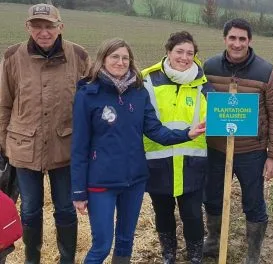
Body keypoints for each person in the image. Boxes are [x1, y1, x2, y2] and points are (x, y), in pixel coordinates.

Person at [71, 38, 206, 264]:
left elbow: (155, 131)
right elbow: (79, 146)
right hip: (101, 182)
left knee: (125, 241)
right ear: (103, 59)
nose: (120, 62)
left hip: (134, 181)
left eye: (125, 57)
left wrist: (186, 134)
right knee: (102, 245)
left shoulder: (138, 92)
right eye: (114, 56)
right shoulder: (88, 94)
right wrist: (78, 191)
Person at [0, 4, 90, 263]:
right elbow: (4, 104)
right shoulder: (13, 56)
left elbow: (89, 105)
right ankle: (32, 259)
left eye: (49, 26)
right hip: (23, 146)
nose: (43, 31)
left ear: (60, 27)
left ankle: (66, 259)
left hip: (66, 147)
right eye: (37, 26)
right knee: (29, 209)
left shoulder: (79, 56)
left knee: (64, 208)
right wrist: (5, 144)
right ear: (28, 27)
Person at [203, 18, 273, 263]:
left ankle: (253, 253)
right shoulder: (209, 67)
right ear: (224, 38)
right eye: (232, 38)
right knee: (212, 196)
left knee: (253, 201)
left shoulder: (266, 72)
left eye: (242, 39)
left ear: (250, 41)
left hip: (253, 151)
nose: (237, 44)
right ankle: (214, 238)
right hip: (216, 148)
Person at [140, 31, 214, 264]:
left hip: (193, 161)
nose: (184, 57)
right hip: (158, 160)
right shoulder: (147, 81)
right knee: (162, 211)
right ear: (168, 52)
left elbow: (217, 118)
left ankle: (194, 254)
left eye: (190, 53)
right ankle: (168, 253)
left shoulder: (203, 85)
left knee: (192, 213)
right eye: (179, 51)